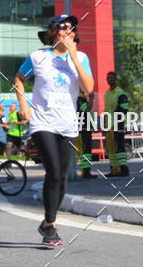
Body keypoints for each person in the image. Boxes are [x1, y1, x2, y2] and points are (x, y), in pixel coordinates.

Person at [15, 13, 94, 247]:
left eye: (72, 27)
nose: (68, 31)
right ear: (53, 32)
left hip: (68, 124)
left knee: (63, 180)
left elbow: (88, 88)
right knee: (55, 173)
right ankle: (50, 226)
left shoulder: (81, 57)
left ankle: (47, 221)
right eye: (63, 27)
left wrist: (74, 57)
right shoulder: (38, 57)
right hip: (43, 122)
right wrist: (23, 105)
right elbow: (19, 79)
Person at [104, 72, 130, 176]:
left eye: (112, 78)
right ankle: (114, 169)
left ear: (115, 79)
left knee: (119, 147)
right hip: (108, 126)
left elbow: (125, 108)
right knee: (111, 149)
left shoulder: (120, 93)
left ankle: (123, 169)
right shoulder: (106, 94)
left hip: (117, 125)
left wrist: (117, 121)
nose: (110, 80)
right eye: (108, 78)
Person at [77, 91, 97, 179]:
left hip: (82, 128)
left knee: (82, 151)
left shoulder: (78, 97)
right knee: (86, 150)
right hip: (84, 128)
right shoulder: (80, 98)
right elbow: (87, 109)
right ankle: (86, 172)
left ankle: (84, 171)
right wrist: (91, 98)